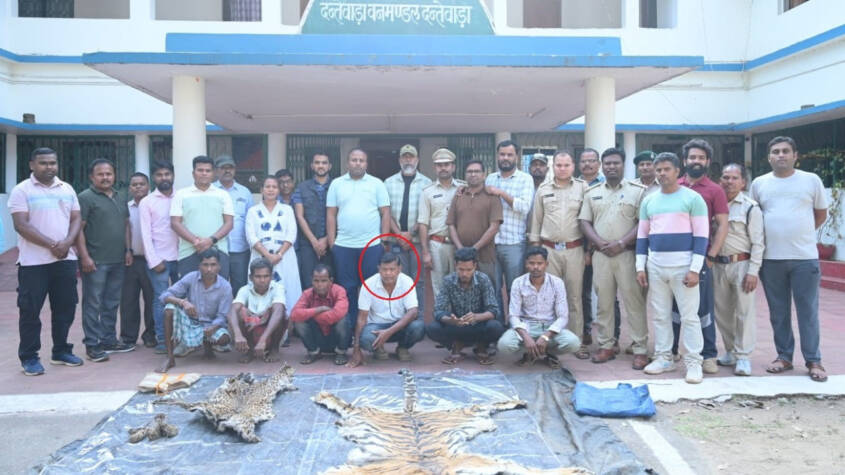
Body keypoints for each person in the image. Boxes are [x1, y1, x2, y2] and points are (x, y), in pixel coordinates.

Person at [751, 136, 829, 383]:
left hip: (804, 258)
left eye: (786, 151)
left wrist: (800, 234)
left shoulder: (811, 180)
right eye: (775, 151)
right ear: (769, 157)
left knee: (808, 311)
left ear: (795, 155)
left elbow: (821, 214)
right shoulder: (759, 183)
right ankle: (784, 357)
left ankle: (813, 360)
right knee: (778, 312)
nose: (781, 155)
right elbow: (754, 218)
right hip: (771, 259)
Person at [636, 152, 709, 384]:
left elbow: (702, 237)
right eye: (658, 170)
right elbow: (642, 236)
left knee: (689, 317)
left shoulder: (693, 198)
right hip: (656, 266)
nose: (662, 174)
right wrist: (640, 267)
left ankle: (694, 362)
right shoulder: (649, 200)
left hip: (684, 267)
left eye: (667, 169)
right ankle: (664, 357)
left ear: (678, 171)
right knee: (660, 315)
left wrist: (695, 269)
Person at [9, 147, 83, 376]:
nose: (49, 167)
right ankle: (29, 357)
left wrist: (67, 243)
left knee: (65, 308)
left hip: (65, 260)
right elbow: (21, 225)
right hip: (33, 263)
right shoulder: (21, 190)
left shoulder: (67, 188)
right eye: (43, 163)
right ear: (32, 165)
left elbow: (76, 218)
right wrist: (53, 245)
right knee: (30, 311)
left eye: (52, 162)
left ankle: (60, 351)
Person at [579, 148, 649, 369]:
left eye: (616, 163)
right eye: (607, 163)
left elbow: (644, 223)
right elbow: (584, 222)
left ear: (623, 165)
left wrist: (622, 243)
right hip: (601, 256)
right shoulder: (592, 192)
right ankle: (606, 345)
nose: (611, 167)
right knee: (604, 303)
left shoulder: (638, 191)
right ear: (602, 165)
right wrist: (599, 243)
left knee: (634, 302)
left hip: (627, 254)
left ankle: (640, 348)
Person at [673, 139, 730, 374]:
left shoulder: (715, 190)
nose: (696, 161)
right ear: (684, 160)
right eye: (692, 157)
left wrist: (711, 255)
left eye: (701, 158)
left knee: (703, 309)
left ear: (707, 161)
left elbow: (723, 225)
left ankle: (708, 355)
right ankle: (672, 352)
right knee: (674, 308)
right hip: (674, 257)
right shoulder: (674, 186)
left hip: (700, 258)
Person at [529, 151, 589, 359]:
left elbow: (588, 220)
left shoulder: (583, 188)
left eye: (566, 165)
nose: (562, 169)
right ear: (553, 166)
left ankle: (576, 342)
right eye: (558, 165)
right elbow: (536, 220)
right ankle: (550, 342)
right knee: (549, 297)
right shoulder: (543, 189)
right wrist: (536, 252)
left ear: (573, 166)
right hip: (549, 251)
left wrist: (588, 251)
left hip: (574, 250)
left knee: (574, 297)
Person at [327, 148, 390, 340]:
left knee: (370, 289)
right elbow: (331, 214)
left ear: (366, 163)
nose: (357, 163)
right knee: (347, 289)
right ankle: (350, 332)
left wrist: (384, 240)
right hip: (343, 246)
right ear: (348, 163)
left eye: (361, 160)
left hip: (371, 246)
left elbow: (385, 213)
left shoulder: (377, 184)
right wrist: (332, 243)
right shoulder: (337, 184)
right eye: (354, 160)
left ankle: (370, 332)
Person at [76, 158, 133, 361]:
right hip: (95, 261)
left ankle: (108, 340)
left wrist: (128, 250)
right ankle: (92, 344)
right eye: (100, 174)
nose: (105, 177)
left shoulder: (120, 196)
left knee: (111, 302)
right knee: (93, 304)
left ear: (114, 175)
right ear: (92, 177)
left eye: (109, 173)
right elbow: (78, 229)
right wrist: (84, 256)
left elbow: (126, 225)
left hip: (118, 260)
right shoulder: (85, 197)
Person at [714, 163, 764, 376]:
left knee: (744, 312)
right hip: (718, 265)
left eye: (735, 178)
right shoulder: (714, 204)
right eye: (726, 177)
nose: (729, 182)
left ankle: (743, 357)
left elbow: (758, 243)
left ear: (743, 182)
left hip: (742, 265)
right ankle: (731, 351)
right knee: (722, 312)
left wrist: (753, 271)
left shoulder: (750, 207)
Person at [497, 247, 581, 368]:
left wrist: (546, 336)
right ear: (526, 264)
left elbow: (563, 317)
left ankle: (548, 352)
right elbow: (513, 316)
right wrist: (526, 337)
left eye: (539, 263)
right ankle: (529, 352)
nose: (535, 267)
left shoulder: (557, 283)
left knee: (574, 343)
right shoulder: (518, 283)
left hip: (550, 327)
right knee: (504, 345)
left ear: (546, 264)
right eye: (531, 263)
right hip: (527, 326)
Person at [155, 249, 233, 373]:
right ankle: (170, 358)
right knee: (169, 309)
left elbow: (223, 316)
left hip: (211, 325)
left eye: (213, 265)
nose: (209, 269)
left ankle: (207, 347)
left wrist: (213, 327)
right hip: (191, 323)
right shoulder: (191, 277)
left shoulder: (225, 286)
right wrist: (183, 302)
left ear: (219, 266)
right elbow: (164, 296)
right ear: (199, 266)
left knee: (224, 339)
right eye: (205, 265)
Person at [426, 247, 504, 365]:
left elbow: (494, 310)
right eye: (461, 269)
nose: (464, 274)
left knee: (496, 327)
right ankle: (456, 345)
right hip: (457, 325)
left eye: (468, 270)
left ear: (475, 266)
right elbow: (438, 310)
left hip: (478, 325)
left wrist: (476, 317)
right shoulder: (448, 281)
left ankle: (481, 346)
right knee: (432, 328)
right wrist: (451, 320)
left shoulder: (483, 279)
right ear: (455, 266)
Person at [347, 253, 424, 367]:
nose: (388, 273)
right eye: (384, 269)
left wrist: (388, 332)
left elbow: (413, 312)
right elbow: (362, 317)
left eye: (392, 269)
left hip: (399, 326)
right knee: (366, 339)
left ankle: (402, 347)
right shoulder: (368, 285)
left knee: (418, 327)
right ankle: (378, 348)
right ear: (379, 269)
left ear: (399, 269)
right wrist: (356, 349)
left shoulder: (407, 281)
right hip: (376, 327)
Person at [485, 139, 534, 311]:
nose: (505, 158)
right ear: (497, 156)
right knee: (492, 289)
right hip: (491, 243)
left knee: (515, 289)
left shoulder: (525, 179)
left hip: (514, 244)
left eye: (509, 155)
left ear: (517, 157)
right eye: (502, 154)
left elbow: (524, 207)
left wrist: (501, 193)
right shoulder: (490, 178)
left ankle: (515, 323)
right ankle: (497, 323)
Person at [384, 144, 432, 316]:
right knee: (398, 280)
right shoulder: (388, 183)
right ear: (399, 160)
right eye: (405, 157)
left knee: (419, 281)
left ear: (417, 160)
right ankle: (400, 317)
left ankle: (418, 316)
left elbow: (427, 213)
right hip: (396, 241)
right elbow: (386, 212)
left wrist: (410, 234)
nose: (408, 160)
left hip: (417, 241)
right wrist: (399, 235)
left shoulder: (427, 183)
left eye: (411, 157)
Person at [244, 176, 303, 314]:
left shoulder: (287, 210)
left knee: (288, 287)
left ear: (278, 190)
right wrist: (267, 256)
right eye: (267, 187)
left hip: (284, 257)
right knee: (261, 286)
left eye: (274, 187)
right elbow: (251, 236)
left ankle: (289, 320)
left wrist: (279, 254)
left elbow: (291, 234)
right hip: (260, 256)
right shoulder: (253, 211)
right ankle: (259, 319)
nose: (271, 190)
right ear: (261, 190)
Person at [139, 161, 180, 354]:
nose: (164, 178)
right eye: (159, 174)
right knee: (161, 300)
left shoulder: (181, 197)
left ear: (173, 175)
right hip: (160, 260)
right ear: (154, 178)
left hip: (181, 258)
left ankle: (181, 338)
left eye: (167, 174)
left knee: (183, 298)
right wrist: (153, 260)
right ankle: (163, 341)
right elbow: (145, 234)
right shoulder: (147, 202)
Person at [171, 155, 234, 280]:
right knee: (189, 290)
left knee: (218, 289)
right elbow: (175, 223)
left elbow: (229, 223)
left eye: (208, 170)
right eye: (200, 170)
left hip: (218, 251)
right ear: (193, 173)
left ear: (213, 173)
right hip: (189, 252)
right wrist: (195, 241)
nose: (204, 173)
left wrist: (210, 241)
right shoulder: (181, 194)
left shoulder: (223, 195)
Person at [447, 160, 503, 297]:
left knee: (487, 293)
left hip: (485, 256)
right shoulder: (459, 195)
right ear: (465, 175)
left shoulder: (492, 197)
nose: (473, 174)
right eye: (469, 171)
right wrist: (461, 249)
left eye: (477, 171)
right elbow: (451, 224)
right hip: (461, 256)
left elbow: (494, 227)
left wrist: (474, 249)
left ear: (484, 175)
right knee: (461, 294)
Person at [418, 148, 464, 299]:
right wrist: (425, 252)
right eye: (439, 165)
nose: (443, 168)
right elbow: (423, 223)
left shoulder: (463, 188)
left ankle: (458, 315)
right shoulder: (427, 192)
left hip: (459, 245)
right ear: (435, 168)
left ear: (453, 167)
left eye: (446, 164)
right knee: (439, 286)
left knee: (461, 284)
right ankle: (442, 313)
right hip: (437, 244)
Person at [120, 172, 156, 349]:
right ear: (130, 188)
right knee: (128, 300)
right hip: (131, 260)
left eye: (142, 184)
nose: (138, 187)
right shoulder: (125, 208)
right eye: (134, 184)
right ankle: (128, 337)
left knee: (152, 299)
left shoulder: (155, 205)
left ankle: (151, 335)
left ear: (148, 186)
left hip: (152, 261)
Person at [228, 258, 287, 364]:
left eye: (266, 276)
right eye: (258, 276)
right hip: (251, 329)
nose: (262, 280)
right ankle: (249, 350)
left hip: (269, 331)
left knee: (281, 313)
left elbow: (279, 310)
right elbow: (232, 311)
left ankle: (274, 349)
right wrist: (237, 335)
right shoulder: (244, 290)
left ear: (271, 277)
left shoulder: (278, 288)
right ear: (251, 278)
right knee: (240, 311)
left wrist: (262, 340)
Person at [289, 264, 350, 365]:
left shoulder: (339, 291)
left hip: (335, 337)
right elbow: (294, 314)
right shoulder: (307, 293)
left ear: (331, 281)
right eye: (316, 281)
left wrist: (310, 315)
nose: (319, 284)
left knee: (343, 319)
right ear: (312, 281)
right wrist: (319, 309)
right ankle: (314, 352)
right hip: (318, 337)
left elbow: (338, 313)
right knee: (299, 322)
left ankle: (341, 352)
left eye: (323, 281)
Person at [293, 152, 334, 290]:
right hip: (308, 243)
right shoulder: (302, 187)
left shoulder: (337, 186)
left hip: (332, 242)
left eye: (324, 163)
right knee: (309, 282)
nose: (320, 166)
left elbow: (341, 215)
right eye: (317, 162)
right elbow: (299, 216)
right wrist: (314, 242)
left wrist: (327, 239)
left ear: (329, 166)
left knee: (331, 282)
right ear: (312, 166)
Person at [213, 155, 253, 294]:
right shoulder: (211, 191)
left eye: (230, 168)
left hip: (240, 249)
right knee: (218, 286)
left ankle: (238, 309)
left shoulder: (245, 192)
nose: (227, 171)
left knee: (240, 286)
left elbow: (250, 220)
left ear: (235, 170)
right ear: (216, 171)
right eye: (223, 168)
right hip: (217, 248)